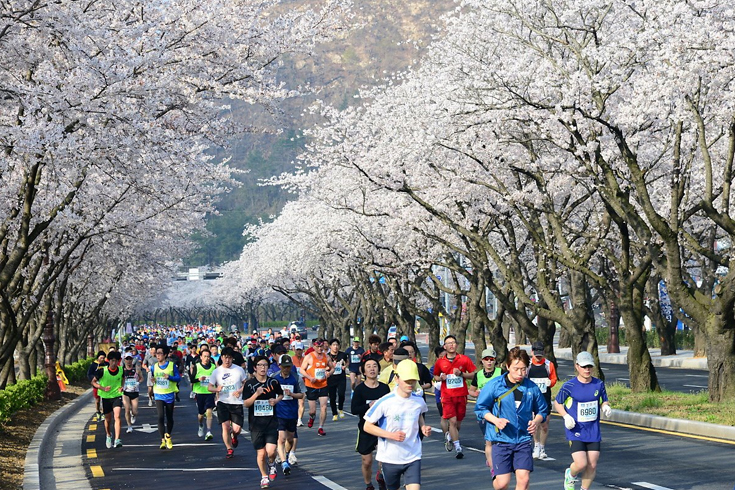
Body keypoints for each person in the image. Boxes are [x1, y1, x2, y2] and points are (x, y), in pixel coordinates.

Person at [475, 346, 548, 490]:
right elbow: (480, 408)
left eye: (523, 369)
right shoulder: (495, 386)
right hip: (500, 440)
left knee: (524, 480)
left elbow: (542, 410)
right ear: (508, 366)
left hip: (523, 440)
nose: (520, 373)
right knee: (502, 484)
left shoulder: (531, 388)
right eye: (516, 369)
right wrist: (496, 420)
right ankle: (495, 473)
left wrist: (536, 421)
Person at [363, 360, 432, 490]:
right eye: (407, 380)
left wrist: (423, 427)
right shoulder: (385, 402)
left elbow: (419, 414)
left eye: (413, 380)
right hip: (390, 457)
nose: (410, 384)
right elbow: (367, 426)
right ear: (397, 378)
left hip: (413, 455)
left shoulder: (418, 401)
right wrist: (391, 435)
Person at [555, 351, 612, 490]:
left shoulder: (598, 384)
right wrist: (565, 416)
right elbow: (557, 403)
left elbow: (604, 400)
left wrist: (606, 407)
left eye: (590, 366)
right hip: (575, 429)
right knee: (581, 464)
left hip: (593, 430)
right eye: (584, 366)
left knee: (592, 464)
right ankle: (571, 474)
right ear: (577, 366)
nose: (587, 370)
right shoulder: (569, 386)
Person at [432, 334, 476, 459]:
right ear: (444, 346)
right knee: (452, 421)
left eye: (453, 342)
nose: (451, 345)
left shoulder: (464, 359)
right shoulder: (440, 362)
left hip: (461, 395)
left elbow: (473, 374)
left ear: (457, 345)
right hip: (447, 396)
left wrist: (461, 374)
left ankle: (451, 436)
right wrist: (441, 377)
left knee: (458, 423)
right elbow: (435, 375)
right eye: (448, 343)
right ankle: (458, 447)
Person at [244, 355, 284, 488]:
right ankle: (264, 477)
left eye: (265, 365)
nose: (263, 368)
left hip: (271, 422)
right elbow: (246, 404)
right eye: (260, 365)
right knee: (261, 454)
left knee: (271, 451)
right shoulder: (249, 384)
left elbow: (281, 394)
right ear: (255, 368)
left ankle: (272, 464)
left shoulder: (273, 382)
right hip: (256, 424)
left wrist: (276, 401)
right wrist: (256, 394)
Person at [352, 358, 391, 490]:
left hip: (382, 428)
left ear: (378, 370)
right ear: (363, 371)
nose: (372, 368)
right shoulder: (360, 389)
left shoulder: (384, 388)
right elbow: (354, 409)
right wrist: (368, 405)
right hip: (366, 429)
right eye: (368, 366)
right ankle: (368, 484)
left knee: (384, 460)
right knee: (367, 461)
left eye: (374, 366)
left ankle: (381, 477)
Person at [209, 347, 248, 458]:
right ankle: (229, 449)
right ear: (222, 358)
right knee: (225, 426)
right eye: (225, 358)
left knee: (236, 429)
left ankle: (234, 436)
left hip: (236, 403)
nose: (227, 360)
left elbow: (246, 383)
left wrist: (240, 390)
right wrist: (217, 389)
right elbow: (209, 387)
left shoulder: (239, 370)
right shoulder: (217, 372)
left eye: (230, 358)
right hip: (223, 402)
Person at [468, 346, 502, 467]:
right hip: (483, 411)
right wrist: (476, 393)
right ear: (482, 361)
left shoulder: (501, 373)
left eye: (491, 359)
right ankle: (492, 463)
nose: (489, 361)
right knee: (489, 439)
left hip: (499, 410)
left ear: (495, 361)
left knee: (497, 438)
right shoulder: (478, 375)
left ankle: (494, 460)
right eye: (486, 359)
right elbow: (470, 391)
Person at [272, 354, 303, 475]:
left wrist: (292, 394)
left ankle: (283, 454)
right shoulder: (274, 378)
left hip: (292, 412)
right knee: (281, 438)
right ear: (280, 366)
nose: (286, 369)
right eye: (284, 366)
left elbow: (301, 395)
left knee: (290, 439)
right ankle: (284, 462)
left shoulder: (296, 378)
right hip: (279, 413)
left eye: (288, 366)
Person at [528, 341, 557, 460]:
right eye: (536, 355)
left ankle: (542, 447)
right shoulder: (528, 365)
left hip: (545, 398)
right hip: (532, 399)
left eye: (540, 355)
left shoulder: (549, 365)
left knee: (545, 424)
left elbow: (554, 378)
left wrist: (551, 382)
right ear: (532, 352)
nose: (538, 357)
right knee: (535, 423)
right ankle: (536, 445)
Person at [151, 345, 181, 449]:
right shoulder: (154, 366)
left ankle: (168, 435)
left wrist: (170, 377)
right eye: (156, 353)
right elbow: (152, 377)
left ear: (165, 355)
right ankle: (162, 440)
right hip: (158, 394)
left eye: (159, 353)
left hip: (169, 395)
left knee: (169, 417)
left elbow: (178, 378)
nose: (157, 355)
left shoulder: (171, 365)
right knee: (160, 417)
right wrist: (153, 380)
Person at [91, 350, 124, 448]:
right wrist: (102, 388)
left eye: (116, 361)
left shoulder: (121, 370)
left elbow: (123, 378)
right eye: (112, 361)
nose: (114, 363)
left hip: (117, 396)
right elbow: (93, 382)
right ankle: (108, 434)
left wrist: (122, 386)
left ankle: (117, 439)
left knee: (117, 416)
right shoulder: (102, 371)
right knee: (108, 419)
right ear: (108, 361)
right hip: (106, 397)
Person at [301, 338, 333, 435]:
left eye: (321, 346)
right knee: (312, 411)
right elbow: (302, 370)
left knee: (324, 407)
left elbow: (332, 368)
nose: (320, 349)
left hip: (323, 385)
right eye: (318, 346)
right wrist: (309, 377)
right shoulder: (309, 357)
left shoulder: (326, 357)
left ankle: (320, 427)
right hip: (311, 385)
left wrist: (329, 373)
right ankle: (312, 417)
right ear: (314, 346)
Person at [191, 347, 215, 440]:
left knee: (209, 412)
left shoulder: (213, 367)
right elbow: (192, 379)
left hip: (210, 392)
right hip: (200, 392)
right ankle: (201, 425)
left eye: (208, 356)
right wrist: (198, 379)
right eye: (205, 356)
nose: (207, 358)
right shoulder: (197, 366)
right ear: (201, 357)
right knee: (201, 414)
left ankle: (209, 431)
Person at [121, 352, 142, 434]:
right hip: (126, 392)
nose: (128, 361)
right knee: (127, 409)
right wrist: (121, 386)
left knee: (135, 411)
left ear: (132, 360)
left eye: (130, 359)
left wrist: (138, 382)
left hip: (134, 392)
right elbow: (120, 380)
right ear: (124, 360)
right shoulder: (122, 370)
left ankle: (133, 415)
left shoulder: (136, 369)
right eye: (127, 359)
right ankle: (129, 426)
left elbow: (141, 378)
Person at [327, 338, 348, 420]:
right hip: (331, 378)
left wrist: (345, 366)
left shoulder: (343, 355)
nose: (335, 347)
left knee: (341, 394)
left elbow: (347, 361)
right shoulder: (327, 356)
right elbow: (324, 366)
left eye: (337, 345)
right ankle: (334, 413)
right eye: (333, 345)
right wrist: (329, 368)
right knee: (332, 397)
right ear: (330, 346)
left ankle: (340, 408)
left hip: (341, 378)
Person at [87, 351, 108, 421]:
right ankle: (98, 411)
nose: (102, 359)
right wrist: (94, 379)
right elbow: (89, 374)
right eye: (101, 357)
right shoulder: (93, 365)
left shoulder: (106, 364)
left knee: (105, 399)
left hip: (105, 384)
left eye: (103, 358)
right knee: (98, 400)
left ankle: (104, 413)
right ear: (98, 358)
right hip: (97, 384)